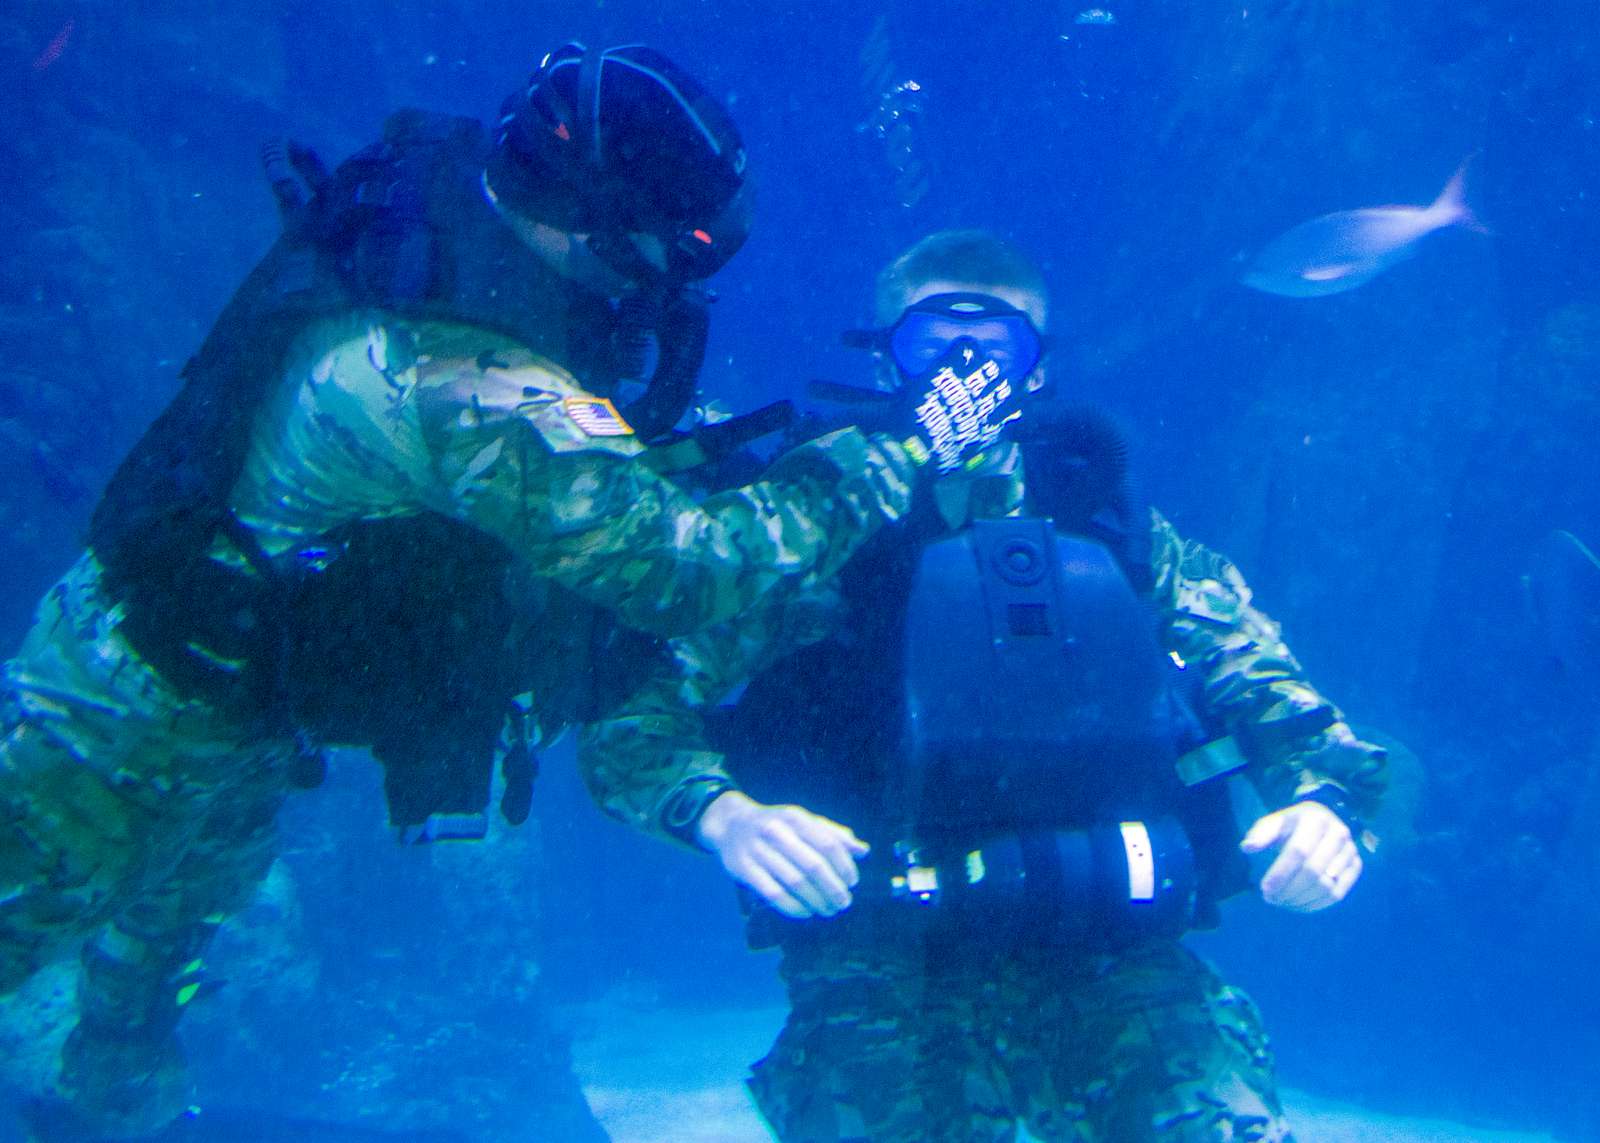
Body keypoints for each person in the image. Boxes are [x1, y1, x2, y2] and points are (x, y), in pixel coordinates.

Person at [0, 49, 1015, 1136]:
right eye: (682, 246)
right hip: (131, 705)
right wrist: (900, 447)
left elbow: (590, 462)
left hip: (235, 696)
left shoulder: (454, 221)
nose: (684, 275)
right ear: (594, 225)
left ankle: (111, 1098)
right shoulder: (459, 379)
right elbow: (688, 570)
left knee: (157, 941)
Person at [579, 230, 1389, 1142]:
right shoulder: (801, 529)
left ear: (1039, 369)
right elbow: (630, 720)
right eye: (934, 343)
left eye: (998, 346)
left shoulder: (1113, 530)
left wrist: (1324, 807)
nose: (965, 370)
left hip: (1112, 944)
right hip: (880, 950)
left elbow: (1278, 694)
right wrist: (728, 816)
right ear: (885, 353)